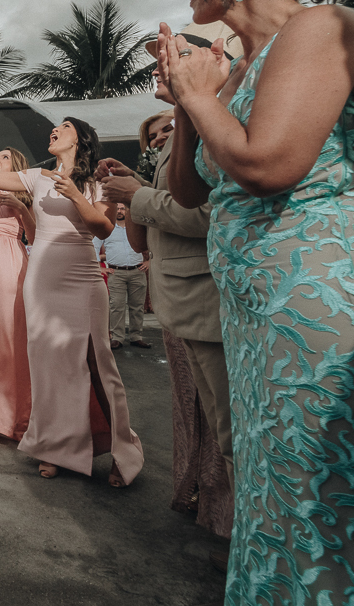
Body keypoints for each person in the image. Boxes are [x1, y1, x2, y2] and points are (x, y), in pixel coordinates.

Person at [164, 0, 354, 603]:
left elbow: (266, 163)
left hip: (318, 312)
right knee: (275, 497)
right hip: (260, 324)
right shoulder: (235, 75)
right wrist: (188, 104)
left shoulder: (324, 28)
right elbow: (190, 188)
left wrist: (200, 97)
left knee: (323, 498)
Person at [0, 115, 143, 487]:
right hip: (41, 281)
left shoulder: (98, 182)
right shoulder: (36, 177)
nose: (56, 130)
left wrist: (76, 194)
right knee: (49, 368)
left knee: (99, 366)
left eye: (64, 127)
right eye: (56, 126)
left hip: (83, 277)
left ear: (79, 139)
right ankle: (55, 449)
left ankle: (122, 449)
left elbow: (104, 228)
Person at [100, 89, 233, 544]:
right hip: (177, 299)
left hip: (204, 294)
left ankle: (229, 520)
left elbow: (209, 216)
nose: (161, 139)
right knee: (193, 411)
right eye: (154, 137)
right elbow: (139, 243)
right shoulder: (159, 172)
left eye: (168, 129)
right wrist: (131, 193)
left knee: (224, 421)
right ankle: (195, 494)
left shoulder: (205, 151)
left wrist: (138, 196)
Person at [99, 204, 151, 350]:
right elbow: (93, 248)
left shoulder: (137, 228)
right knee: (117, 307)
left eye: (123, 208)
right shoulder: (106, 229)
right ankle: (117, 338)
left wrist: (149, 261)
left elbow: (152, 243)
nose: (120, 211)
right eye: (118, 209)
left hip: (137, 271)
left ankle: (136, 337)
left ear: (127, 210)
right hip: (116, 273)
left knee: (137, 307)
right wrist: (99, 267)